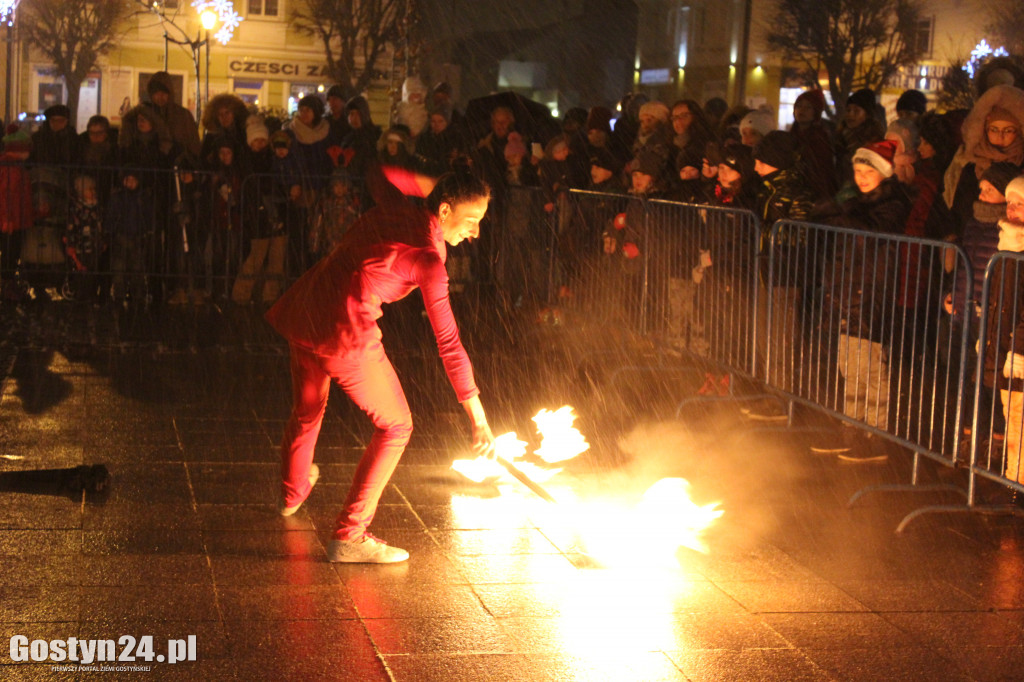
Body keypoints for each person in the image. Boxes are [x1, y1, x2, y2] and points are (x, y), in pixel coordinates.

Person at [265, 164, 497, 563]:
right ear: (444, 212)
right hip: (346, 330)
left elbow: (378, 173)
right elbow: (449, 343)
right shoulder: (429, 260)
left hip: (308, 308)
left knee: (308, 409)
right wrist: (477, 417)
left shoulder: (396, 207)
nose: (475, 232)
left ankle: (293, 490)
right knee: (396, 426)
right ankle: (350, 534)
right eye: (471, 219)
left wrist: (437, 186)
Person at [813, 140, 912, 460]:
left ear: (882, 172)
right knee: (849, 365)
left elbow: (871, 226)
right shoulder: (855, 201)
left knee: (870, 366)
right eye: (857, 171)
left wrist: (839, 211)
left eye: (869, 171)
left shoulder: (892, 201)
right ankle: (852, 426)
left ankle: (875, 433)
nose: (862, 177)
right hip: (846, 289)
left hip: (871, 291)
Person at [983, 176, 1024, 484]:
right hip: (1004, 346)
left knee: (1019, 417)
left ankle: (1017, 483)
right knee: (1011, 413)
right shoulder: (1006, 245)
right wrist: (990, 335)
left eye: (1020, 204)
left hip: (1017, 350)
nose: (1012, 210)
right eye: (1010, 203)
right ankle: (1014, 480)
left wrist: (1020, 350)